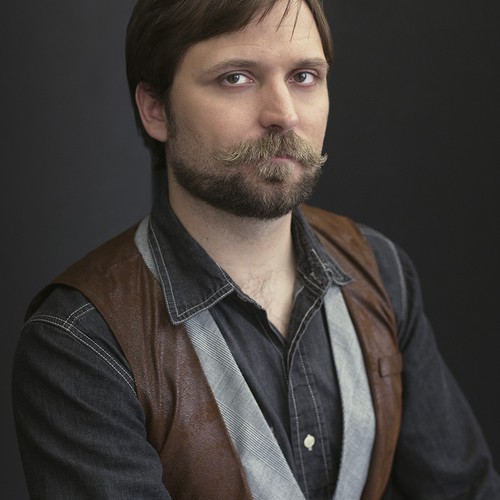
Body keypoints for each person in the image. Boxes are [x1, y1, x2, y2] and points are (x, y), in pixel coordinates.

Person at [11, 0, 500, 498]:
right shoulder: (81, 340)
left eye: (304, 76)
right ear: (155, 109)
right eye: (236, 78)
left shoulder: (379, 270)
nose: (284, 114)